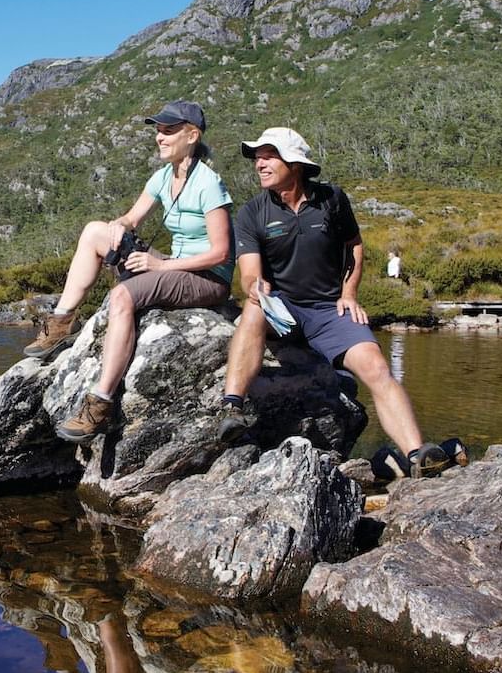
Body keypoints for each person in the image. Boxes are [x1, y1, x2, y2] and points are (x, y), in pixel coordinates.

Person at [214, 126, 451, 474]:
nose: (259, 163)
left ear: (294, 164)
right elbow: (249, 273)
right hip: (282, 310)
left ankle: (417, 454)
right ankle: (232, 407)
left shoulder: (332, 199)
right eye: (257, 157)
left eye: (268, 155)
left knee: (376, 367)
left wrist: (349, 293)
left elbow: (354, 244)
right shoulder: (252, 212)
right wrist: (255, 286)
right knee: (253, 305)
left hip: (329, 311)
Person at [23, 100, 234, 444]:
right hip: (175, 266)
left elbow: (221, 253)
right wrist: (119, 226)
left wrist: (160, 265)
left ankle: (100, 404)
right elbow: (131, 218)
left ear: (192, 135)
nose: (159, 138)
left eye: (168, 131)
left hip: (207, 278)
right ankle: (61, 323)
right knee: (95, 231)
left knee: (121, 296)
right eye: (158, 131)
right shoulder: (164, 176)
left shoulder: (209, 185)